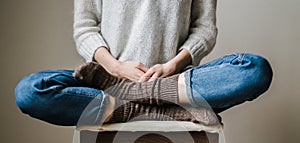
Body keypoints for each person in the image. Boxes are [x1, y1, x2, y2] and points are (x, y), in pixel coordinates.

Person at [14, 0, 272, 127]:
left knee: (255, 69)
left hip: (177, 79)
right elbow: (85, 28)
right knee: (30, 91)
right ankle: (161, 107)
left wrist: (171, 66)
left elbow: (205, 28)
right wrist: (115, 68)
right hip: (106, 77)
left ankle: (138, 97)